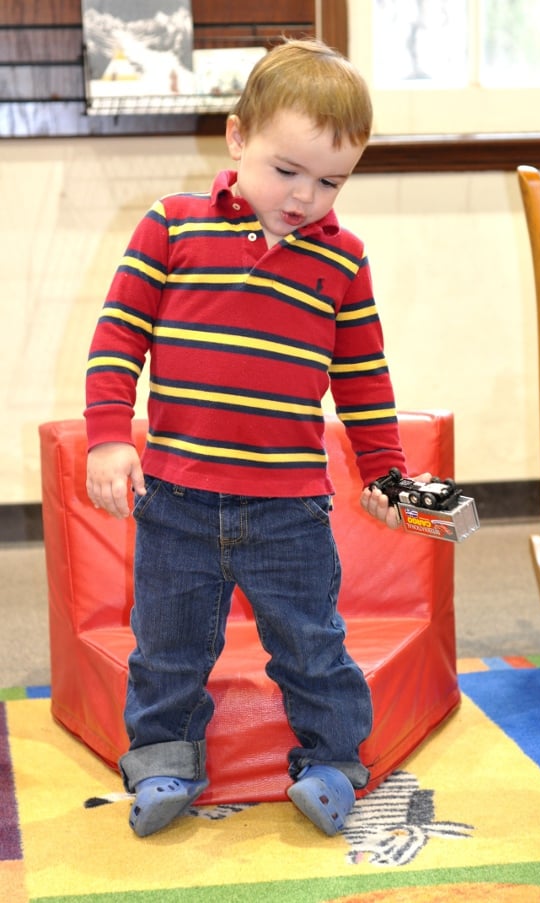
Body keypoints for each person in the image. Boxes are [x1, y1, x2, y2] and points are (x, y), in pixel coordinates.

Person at [85, 37, 416, 839]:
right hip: (177, 499)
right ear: (237, 140)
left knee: (312, 644)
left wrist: (388, 472)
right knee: (166, 643)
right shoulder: (172, 227)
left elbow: (365, 378)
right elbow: (118, 336)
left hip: (289, 513)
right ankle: (165, 756)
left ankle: (334, 758)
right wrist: (108, 436)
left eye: (332, 180)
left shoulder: (343, 261)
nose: (306, 196)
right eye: (287, 170)